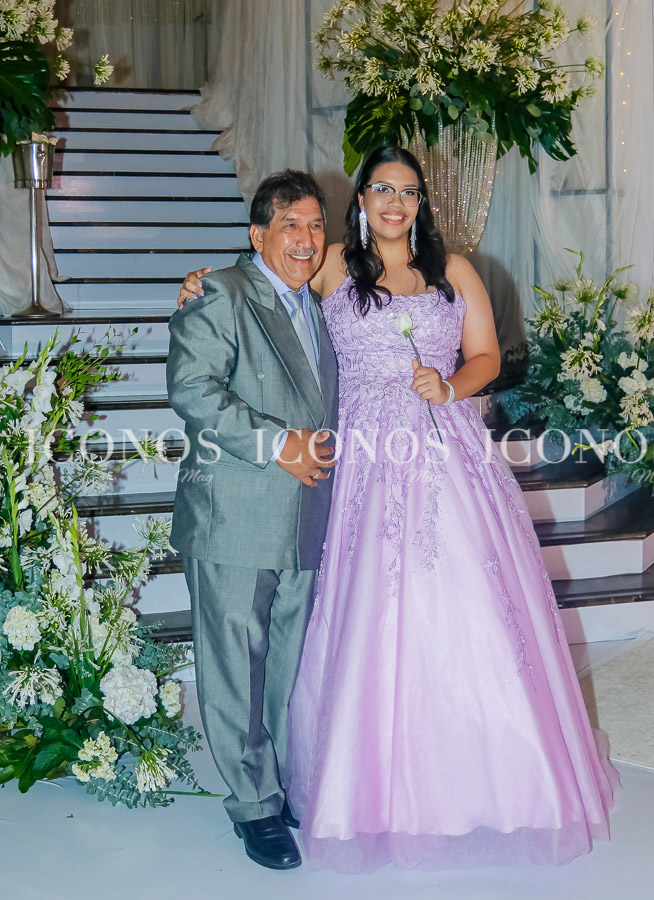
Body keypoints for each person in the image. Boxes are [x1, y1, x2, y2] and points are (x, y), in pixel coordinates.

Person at [176, 146, 620, 874]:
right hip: (356, 459)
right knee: (360, 612)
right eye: (381, 188)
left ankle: (479, 775)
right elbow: (269, 276)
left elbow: (486, 357)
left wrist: (449, 386)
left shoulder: (455, 270)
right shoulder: (331, 265)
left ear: (421, 204)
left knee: (463, 607)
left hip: (443, 453)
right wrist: (201, 281)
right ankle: (319, 785)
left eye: (408, 192)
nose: (394, 202)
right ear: (360, 201)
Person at [167, 169, 338, 871]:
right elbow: (192, 389)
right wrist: (277, 444)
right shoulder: (222, 292)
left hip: (306, 515)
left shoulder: (318, 305)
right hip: (234, 511)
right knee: (236, 663)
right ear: (257, 234)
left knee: (288, 663)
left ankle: (282, 783)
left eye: (315, 225)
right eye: (290, 224)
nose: (305, 239)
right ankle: (253, 806)